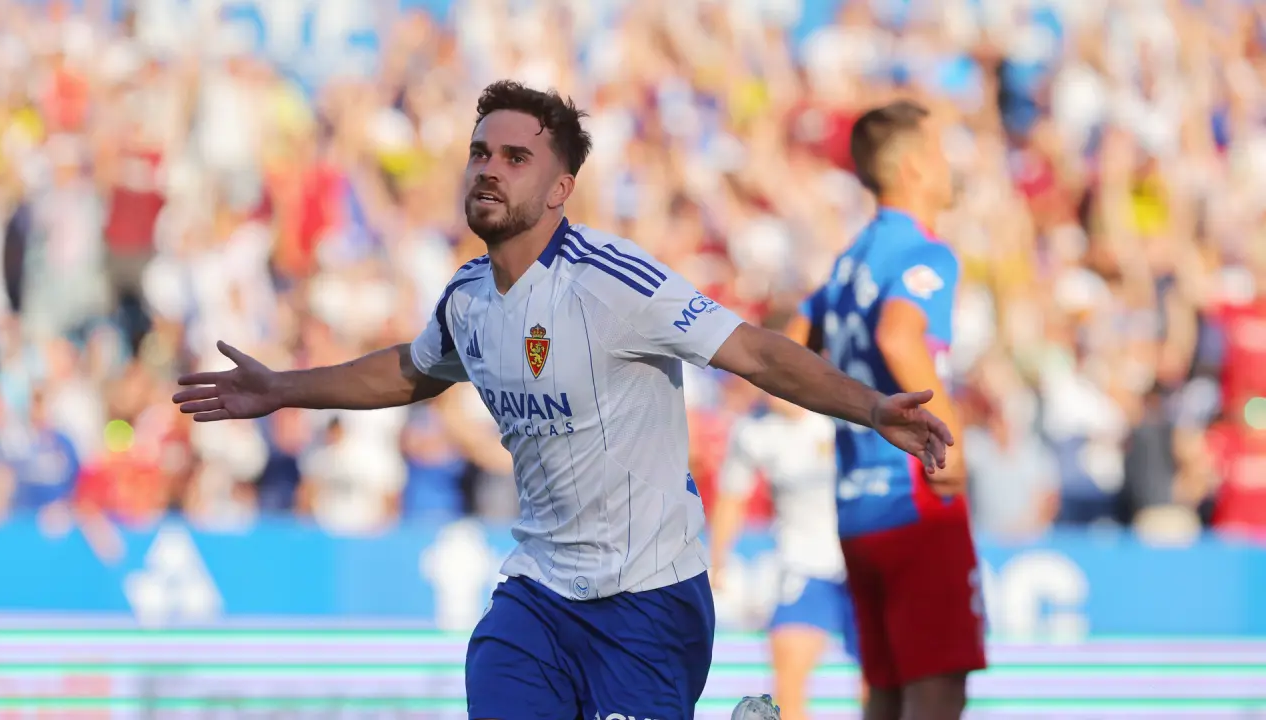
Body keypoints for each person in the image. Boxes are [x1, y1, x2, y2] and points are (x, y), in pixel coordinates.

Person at [172, 81, 954, 720]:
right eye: (480, 152)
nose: (489, 169)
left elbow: (753, 350)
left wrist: (872, 407)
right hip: (539, 597)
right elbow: (412, 371)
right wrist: (282, 389)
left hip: (648, 601)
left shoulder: (615, 283)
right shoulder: (468, 298)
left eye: (515, 157)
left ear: (559, 188)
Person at [797, 99, 985, 720]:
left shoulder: (850, 258)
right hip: (914, 494)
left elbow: (797, 339)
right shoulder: (925, 253)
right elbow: (899, 336)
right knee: (937, 686)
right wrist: (950, 446)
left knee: (885, 686)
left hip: (856, 500)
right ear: (912, 167)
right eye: (940, 151)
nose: (949, 164)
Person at [709, 378, 863, 720]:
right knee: (788, 679)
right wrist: (718, 561)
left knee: (877, 679)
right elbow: (731, 497)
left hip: (861, 561)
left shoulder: (844, 415)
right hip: (802, 565)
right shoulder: (753, 432)